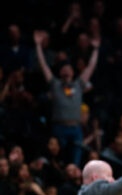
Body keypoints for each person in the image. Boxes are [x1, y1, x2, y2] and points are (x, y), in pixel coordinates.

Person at [34, 30, 100, 167]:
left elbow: (90, 67)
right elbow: (43, 65)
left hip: (76, 128)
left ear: (73, 71)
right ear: (60, 72)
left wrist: (95, 49)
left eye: (69, 68)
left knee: (75, 162)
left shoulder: (79, 84)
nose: (66, 70)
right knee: (58, 159)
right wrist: (38, 45)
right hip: (59, 127)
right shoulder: (55, 84)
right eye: (63, 68)